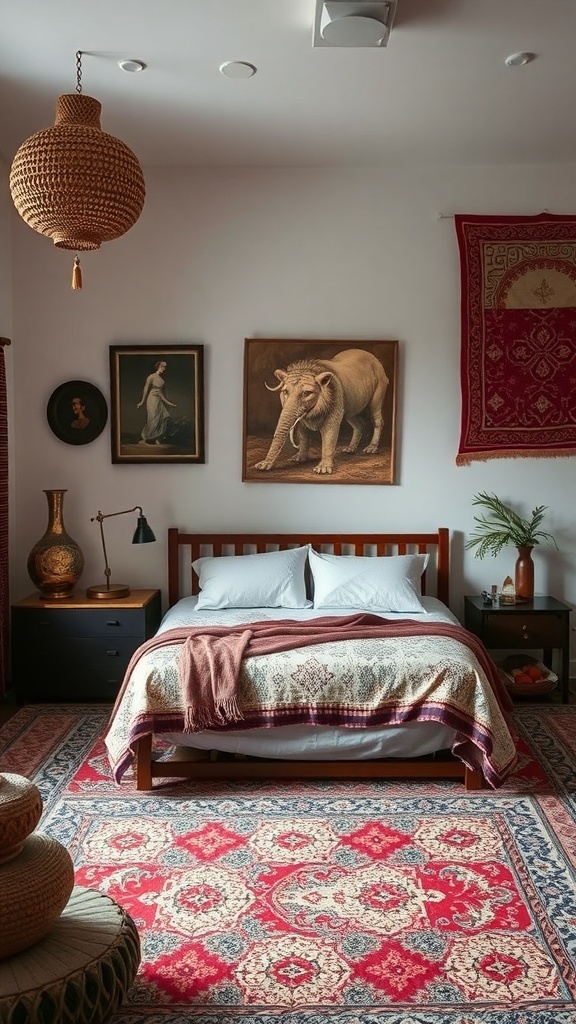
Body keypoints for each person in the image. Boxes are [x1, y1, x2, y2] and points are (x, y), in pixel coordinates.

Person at [137, 361, 177, 445]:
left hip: (158, 400)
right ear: (158, 366)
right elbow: (146, 389)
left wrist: (169, 403)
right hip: (151, 399)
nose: (164, 369)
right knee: (153, 418)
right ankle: (147, 438)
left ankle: (155, 438)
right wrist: (142, 402)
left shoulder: (161, 380)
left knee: (160, 418)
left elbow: (161, 394)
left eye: (165, 367)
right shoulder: (151, 377)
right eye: (163, 367)